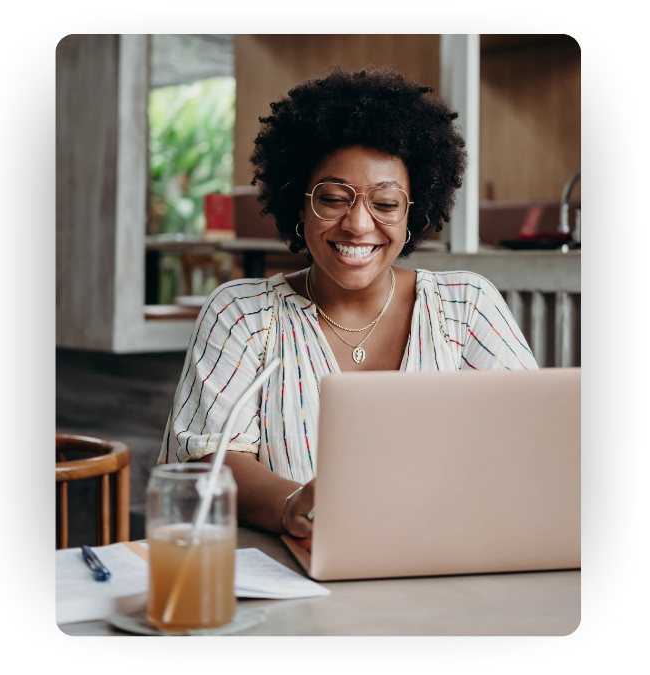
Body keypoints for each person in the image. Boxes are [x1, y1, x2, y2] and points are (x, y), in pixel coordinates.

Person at [157, 66, 538, 541]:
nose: (358, 225)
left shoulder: (466, 306)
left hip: (443, 563)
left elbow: (531, 438)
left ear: (414, 211)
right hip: (290, 569)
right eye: (334, 198)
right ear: (299, 205)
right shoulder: (242, 314)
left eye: (385, 204)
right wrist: (290, 505)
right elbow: (207, 457)